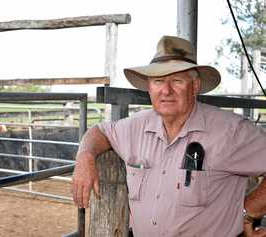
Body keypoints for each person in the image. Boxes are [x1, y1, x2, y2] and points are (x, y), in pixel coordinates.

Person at [71, 35, 266, 237]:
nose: (166, 90)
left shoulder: (230, 131)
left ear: (195, 86)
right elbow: (99, 132)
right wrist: (85, 156)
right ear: (149, 87)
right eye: (158, 81)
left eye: (177, 80)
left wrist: (248, 212)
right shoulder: (135, 127)